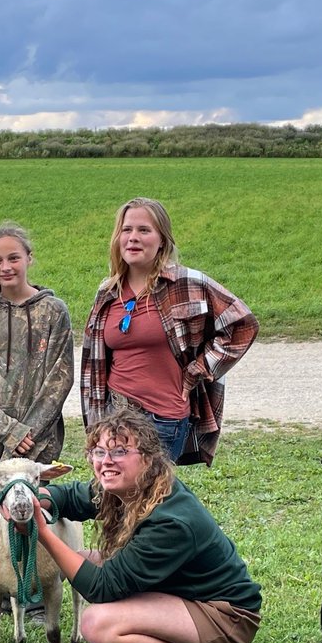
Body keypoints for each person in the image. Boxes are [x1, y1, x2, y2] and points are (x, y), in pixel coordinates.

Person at [16, 407, 261, 643]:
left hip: (227, 618)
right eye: (98, 452)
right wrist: (31, 498)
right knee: (86, 559)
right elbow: (70, 497)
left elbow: (102, 588)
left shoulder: (171, 521)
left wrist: (43, 534)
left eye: (119, 452)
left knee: (97, 624)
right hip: (187, 597)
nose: (106, 462)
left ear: (147, 458)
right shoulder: (131, 488)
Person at [80, 197, 259, 466]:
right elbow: (94, 364)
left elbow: (242, 324)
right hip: (113, 415)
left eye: (144, 230)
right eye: (126, 230)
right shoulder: (108, 292)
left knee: (152, 501)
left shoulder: (186, 283)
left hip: (163, 419)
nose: (133, 238)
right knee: (114, 500)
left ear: (162, 239)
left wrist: (196, 371)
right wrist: (95, 423)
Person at [0, 222, 75, 488]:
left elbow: (60, 379)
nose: (6, 267)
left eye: (14, 258)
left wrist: (26, 435)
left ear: (29, 258)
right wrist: (7, 429)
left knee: (37, 512)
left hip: (39, 442)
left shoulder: (54, 312)